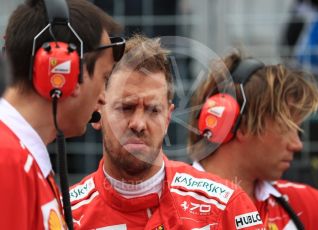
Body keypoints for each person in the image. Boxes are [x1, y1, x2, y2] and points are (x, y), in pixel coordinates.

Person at [69, 35, 264, 230]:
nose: (138, 124)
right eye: (126, 108)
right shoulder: (65, 216)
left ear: (168, 118)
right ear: (97, 110)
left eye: (153, 110)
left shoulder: (226, 206)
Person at [0, 0, 124, 228]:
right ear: (65, 71)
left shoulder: (22, 158)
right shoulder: (7, 161)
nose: (104, 98)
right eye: (104, 78)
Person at [188, 50, 318, 229]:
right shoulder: (165, 210)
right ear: (243, 126)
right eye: (286, 129)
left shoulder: (306, 207)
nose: (297, 145)